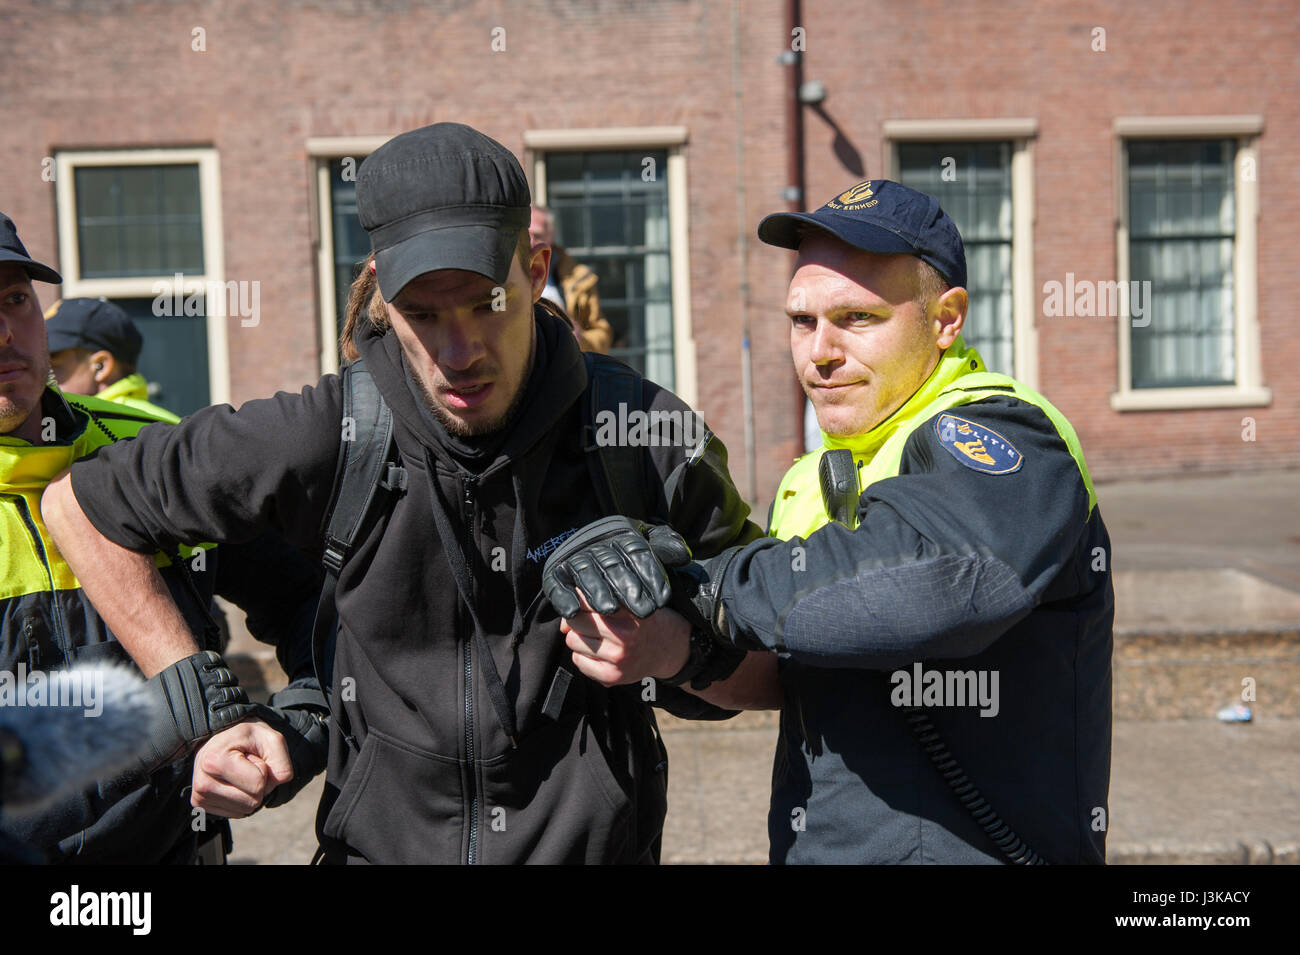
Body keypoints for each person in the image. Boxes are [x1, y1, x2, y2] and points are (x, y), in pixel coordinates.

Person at [42, 123, 763, 864]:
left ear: (537, 268)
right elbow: (79, 505)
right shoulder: (328, 430)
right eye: (422, 313)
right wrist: (198, 701)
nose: (459, 353)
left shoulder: (642, 433)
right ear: (383, 291)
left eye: (486, 303)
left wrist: (677, 643)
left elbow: (777, 669)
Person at [542, 180, 1114, 864]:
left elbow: (938, 580)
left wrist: (702, 581)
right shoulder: (811, 478)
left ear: (946, 319)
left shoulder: (1005, 432)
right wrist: (667, 646)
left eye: (858, 319)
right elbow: (790, 673)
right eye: (802, 321)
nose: (821, 353)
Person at [0, 212, 327, 863]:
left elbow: (314, 600)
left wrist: (298, 726)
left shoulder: (149, 449)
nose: (6, 334)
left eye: (15, 299)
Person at [45, 297, 177, 421]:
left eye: (52, 367)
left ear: (100, 366)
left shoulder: (81, 427)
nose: (43, 379)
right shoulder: (172, 429)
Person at [528, 205, 613, 353]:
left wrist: (580, 339)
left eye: (538, 235)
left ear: (551, 236)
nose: (531, 242)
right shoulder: (502, 274)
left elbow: (603, 335)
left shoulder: (579, 278)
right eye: (526, 234)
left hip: (564, 366)